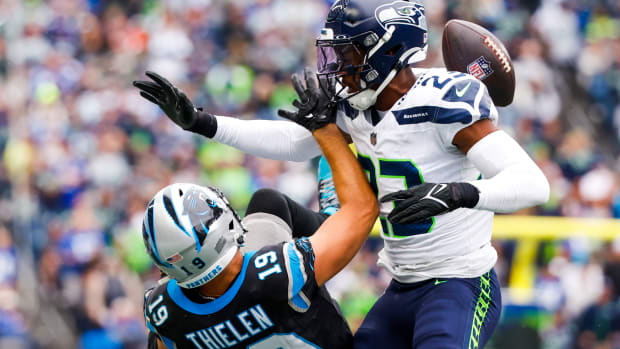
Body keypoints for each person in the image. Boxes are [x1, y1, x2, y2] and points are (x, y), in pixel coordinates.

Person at [134, 1, 550, 347]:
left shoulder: (444, 103)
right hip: (403, 285)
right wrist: (202, 123)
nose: (338, 66)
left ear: (388, 51)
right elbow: (293, 141)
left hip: (460, 282)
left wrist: (460, 192)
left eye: (348, 54)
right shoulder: (356, 103)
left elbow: (533, 184)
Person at [139, 94, 379, 349]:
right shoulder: (281, 273)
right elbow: (363, 209)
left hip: (213, 311)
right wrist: (329, 134)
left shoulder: (162, 312)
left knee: (268, 203)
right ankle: (330, 218)